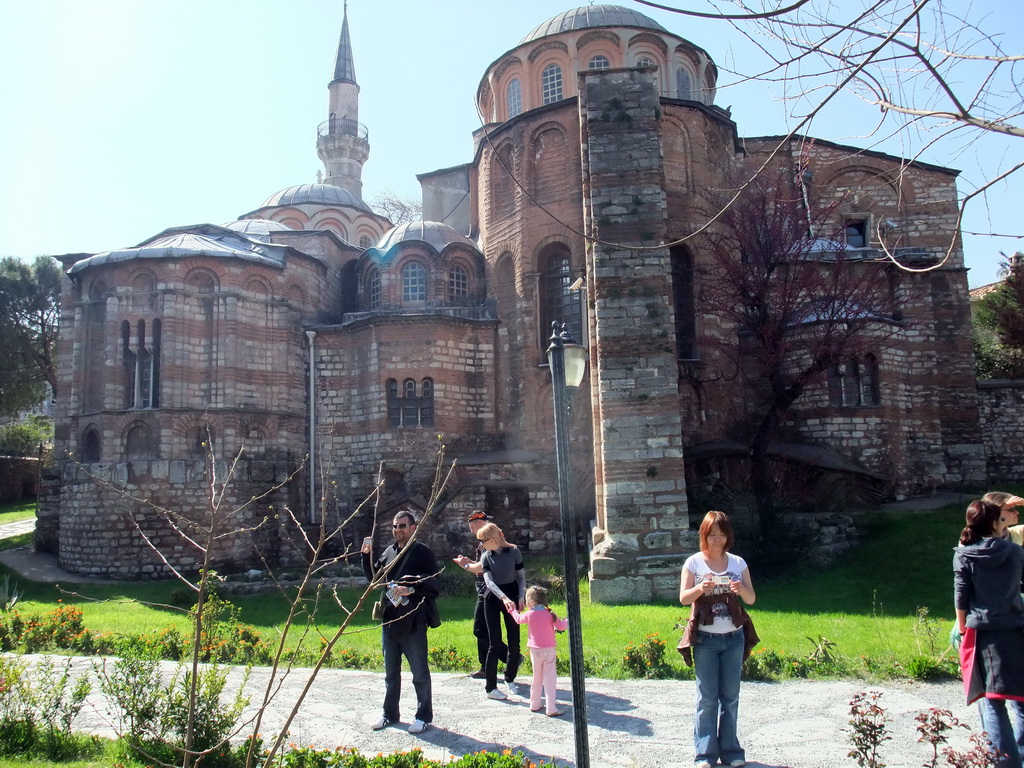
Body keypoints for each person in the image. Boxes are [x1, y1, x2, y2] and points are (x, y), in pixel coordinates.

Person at [678, 510, 757, 768]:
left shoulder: (738, 563)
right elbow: (683, 598)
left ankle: (732, 751)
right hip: (705, 640)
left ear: (727, 537)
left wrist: (740, 588)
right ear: (704, 535)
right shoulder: (694, 563)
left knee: (730, 697)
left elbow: (751, 599)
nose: (717, 540)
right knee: (707, 698)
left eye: (721, 536)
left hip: (733, 637)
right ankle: (705, 754)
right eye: (712, 535)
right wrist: (701, 588)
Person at [954, 499, 1024, 768]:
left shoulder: (964, 554)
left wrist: (962, 629)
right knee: (1020, 698)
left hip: (982, 633)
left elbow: (961, 596)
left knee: (992, 702)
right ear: (996, 523)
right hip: (1015, 630)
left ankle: (1005, 763)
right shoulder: (1014, 552)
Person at [361, 510, 440, 735]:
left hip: (413, 620)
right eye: (395, 526)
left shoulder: (422, 553)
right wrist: (365, 557)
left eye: (403, 526)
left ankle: (423, 716)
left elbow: (435, 585)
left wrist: (411, 589)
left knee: (419, 673)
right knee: (390, 674)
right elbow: (375, 578)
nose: (398, 530)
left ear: (413, 528)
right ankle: (389, 714)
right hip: (390, 620)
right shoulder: (388, 552)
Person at [476, 522, 525, 699]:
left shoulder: (514, 552)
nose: (481, 544)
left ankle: (510, 678)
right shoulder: (485, 556)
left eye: (483, 540)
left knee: (514, 640)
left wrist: (520, 596)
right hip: (493, 598)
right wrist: (503, 598)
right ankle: (491, 688)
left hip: (512, 595)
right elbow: (488, 582)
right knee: (494, 643)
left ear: (492, 539)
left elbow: (520, 577)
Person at [503, 585, 567, 716]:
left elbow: (518, 619)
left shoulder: (529, 614)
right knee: (549, 678)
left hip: (534, 651)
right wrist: (568, 619)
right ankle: (551, 708)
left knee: (536, 678)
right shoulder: (550, 614)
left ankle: (535, 703)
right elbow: (561, 626)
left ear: (531, 602)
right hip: (549, 650)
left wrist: (512, 610)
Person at [452, 511, 495, 679]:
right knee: (484, 629)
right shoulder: (483, 543)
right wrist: (470, 562)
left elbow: (484, 568)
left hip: (488, 591)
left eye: (472, 527)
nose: (471, 531)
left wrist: (466, 566)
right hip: (484, 590)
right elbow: (483, 564)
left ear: (480, 524)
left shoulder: (488, 542)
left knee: (480, 629)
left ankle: (508, 657)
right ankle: (486, 666)